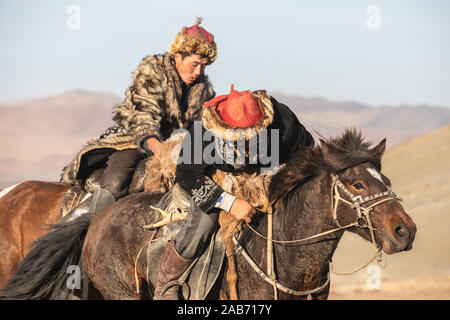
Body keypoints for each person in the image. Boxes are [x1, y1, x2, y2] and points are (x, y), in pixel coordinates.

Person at [153, 85, 315, 300]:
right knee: (204, 222)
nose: (245, 149)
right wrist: (230, 203)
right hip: (215, 174)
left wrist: (281, 185)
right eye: (238, 143)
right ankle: (167, 285)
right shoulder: (204, 128)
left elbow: (305, 156)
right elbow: (187, 176)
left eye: (251, 142)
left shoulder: (282, 120)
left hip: (268, 172)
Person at [59, 18, 217, 222]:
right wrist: (163, 153)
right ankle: (81, 231)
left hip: (175, 148)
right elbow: (144, 118)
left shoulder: (204, 89)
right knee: (116, 181)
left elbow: (204, 126)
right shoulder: (153, 70)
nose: (198, 72)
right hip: (133, 139)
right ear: (178, 57)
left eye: (203, 67)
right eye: (194, 64)